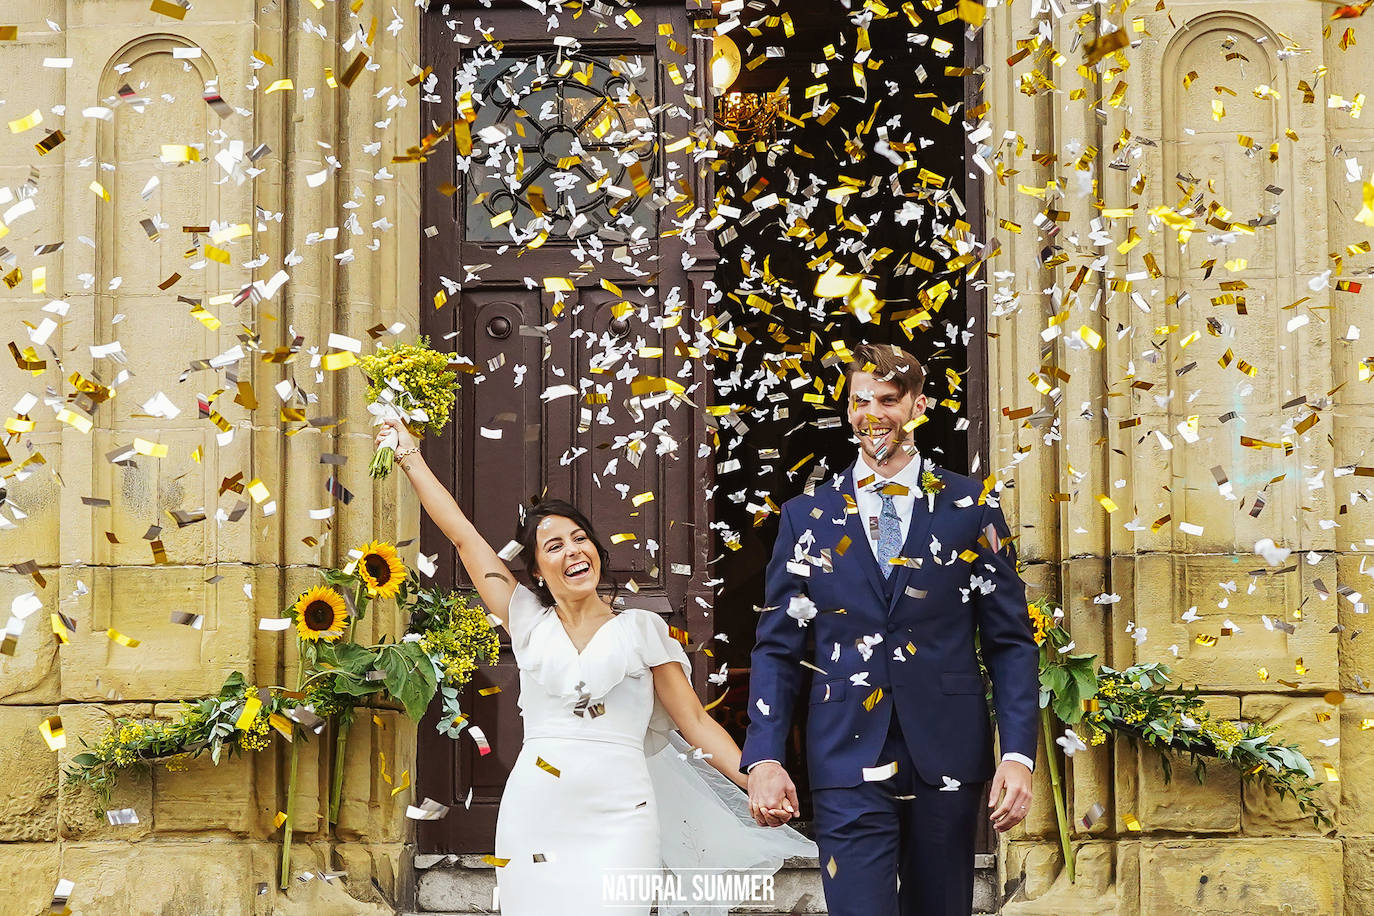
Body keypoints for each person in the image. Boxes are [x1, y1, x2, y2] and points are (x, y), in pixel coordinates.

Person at [377, 418, 813, 915]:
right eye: (554, 546)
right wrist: (409, 454)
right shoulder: (525, 619)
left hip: (622, 817)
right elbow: (462, 538)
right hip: (536, 810)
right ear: (538, 571)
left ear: (597, 553)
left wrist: (757, 776)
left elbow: (695, 723)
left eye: (579, 538)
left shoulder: (645, 631)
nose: (572, 551)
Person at [740, 343, 1039, 916]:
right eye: (859, 400)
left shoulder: (971, 506)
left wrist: (1018, 754)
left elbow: (1009, 641)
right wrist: (766, 757)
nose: (871, 413)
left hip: (947, 751)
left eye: (887, 399)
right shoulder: (807, 516)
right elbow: (778, 647)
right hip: (844, 751)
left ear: (918, 405)